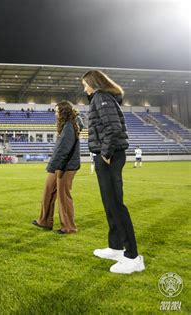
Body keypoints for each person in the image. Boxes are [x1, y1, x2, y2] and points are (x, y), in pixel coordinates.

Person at [82, 70, 145, 274]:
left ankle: (133, 256)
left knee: (116, 204)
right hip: (108, 154)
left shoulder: (101, 97)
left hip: (109, 155)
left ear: (94, 83)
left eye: (85, 84)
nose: (84, 88)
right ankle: (116, 246)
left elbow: (113, 127)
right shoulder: (101, 98)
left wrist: (106, 153)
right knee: (109, 203)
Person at [32, 101, 81, 234]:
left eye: (57, 111)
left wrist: (55, 166)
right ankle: (45, 221)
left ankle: (69, 227)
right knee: (48, 191)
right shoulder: (66, 126)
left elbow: (64, 149)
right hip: (59, 165)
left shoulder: (70, 126)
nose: (55, 113)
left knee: (63, 196)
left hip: (66, 166)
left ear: (63, 112)